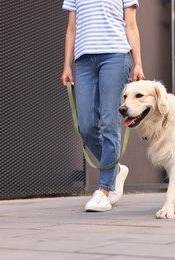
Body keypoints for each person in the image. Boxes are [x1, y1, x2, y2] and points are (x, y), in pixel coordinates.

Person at [61, 0, 145, 212]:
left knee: (109, 123)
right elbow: (72, 28)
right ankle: (115, 169)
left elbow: (131, 26)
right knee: (86, 127)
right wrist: (66, 65)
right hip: (83, 61)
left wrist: (138, 63)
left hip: (115, 57)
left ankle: (104, 190)